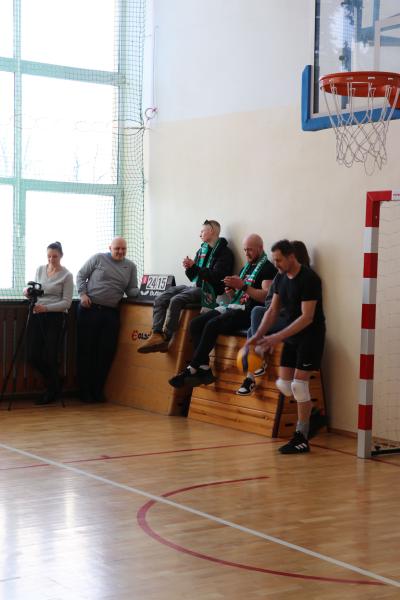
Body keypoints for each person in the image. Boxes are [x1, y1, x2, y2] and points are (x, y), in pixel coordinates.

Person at [248, 239, 326, 454]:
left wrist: (277, 337)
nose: (276, 264)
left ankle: (301, 437)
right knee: (284, 385)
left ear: (291, 257)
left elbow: (307, 317)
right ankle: (313, 415)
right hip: (292, 337)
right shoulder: (281, 278)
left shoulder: (309, 279)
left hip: (310, 337)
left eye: (279, 260)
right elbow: (272, 311)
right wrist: (257, 335)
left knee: (299, 386)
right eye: (274, 260)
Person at [168, 234, 277, 388]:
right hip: (234, 307)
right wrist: (232, 292)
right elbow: (239, 296)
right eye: (244, 250)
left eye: (250, 250)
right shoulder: (246, 268)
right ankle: (204, 368)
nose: (246, 253)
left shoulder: (268, 268)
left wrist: (242, 286)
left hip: (249, 312)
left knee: (212, 324)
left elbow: (265, 297)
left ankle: (192, 368)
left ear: (260, 248)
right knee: (195, 324)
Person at [138, 220, 234, 353]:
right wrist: (189, 268)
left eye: (202, 231)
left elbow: (217, 277)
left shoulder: (225, 253)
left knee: (176, 300)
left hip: (207, 291)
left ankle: (166, 339)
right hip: (193, 286)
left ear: (211, 231)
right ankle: (156, 334)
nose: (199, 234)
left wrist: (195, 267)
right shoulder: (201, 250)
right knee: (161, 298)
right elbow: (193, 276)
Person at [236, 240, 311, 395]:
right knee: (252, 326)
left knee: (257, 312)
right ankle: (250, 377)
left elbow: (300, 310)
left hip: (292, 322)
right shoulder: (281, 275)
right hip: (276, 317)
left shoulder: (305, 278)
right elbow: (270, 301)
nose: (278, 262)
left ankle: (258, 358)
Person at [76, 237, 139, 403]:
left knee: (106, 353)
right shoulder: (98, 258)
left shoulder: (131, 266)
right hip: (89, 309)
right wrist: (82, 294)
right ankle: (84, 392)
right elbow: (81, 275)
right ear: (110, 248)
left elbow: (131, 290)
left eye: (123, 249)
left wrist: (147, 290)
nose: (120, 251)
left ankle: (98, 391)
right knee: (86, 351)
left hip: (111, 313)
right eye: (117, 248)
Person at [24, 241, 73, 405]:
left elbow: (66, 303)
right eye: (49, 256)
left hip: (55, 317)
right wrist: (27, 292)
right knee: (32, 355)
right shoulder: (40, 269)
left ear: (61, 256)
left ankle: (51, 391)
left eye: (55, 256)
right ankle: (56, 382)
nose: (51, 260)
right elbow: (35, 291)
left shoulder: (67, 276)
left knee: (50, 356)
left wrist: (46, 308)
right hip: (37, 315)